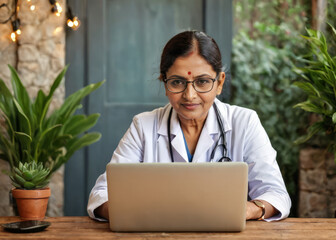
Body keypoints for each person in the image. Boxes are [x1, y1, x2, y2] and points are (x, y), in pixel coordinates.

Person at [87, 30, 291, 222]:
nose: (189, 95)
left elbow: (276, 195)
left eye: (202, 82)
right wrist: (131, 212)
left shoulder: (244, 122)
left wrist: (250, 209)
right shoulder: (143, 126)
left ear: (219, 83)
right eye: (177, 82)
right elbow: (101, 194)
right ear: (164, 82)